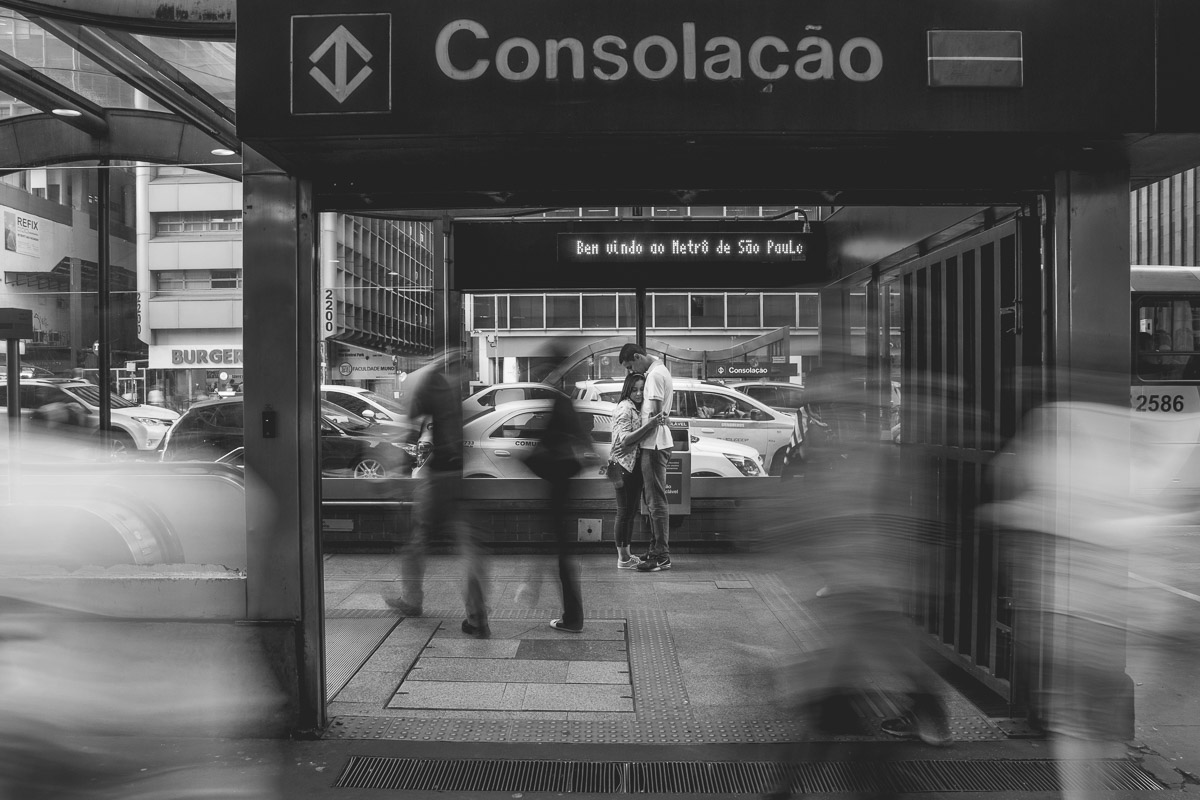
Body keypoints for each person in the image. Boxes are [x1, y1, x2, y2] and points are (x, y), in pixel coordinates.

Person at [382, 348, 490, 639]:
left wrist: (396, 473)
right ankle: (477, 616)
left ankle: (412, 600)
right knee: (467, 547)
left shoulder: (430, 381)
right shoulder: (451, 386)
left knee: (417, 540)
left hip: (439, 477)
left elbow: (408, 426)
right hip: (457, 477)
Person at [617, 343, 673, 572]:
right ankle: (656, 550)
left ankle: (661, 555)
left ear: (638, 357)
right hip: (655, 443)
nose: (631, 372)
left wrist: (632, 441)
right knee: (653, 501)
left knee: (656, 502)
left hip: (654, 445)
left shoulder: (655, 376)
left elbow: (657, 416)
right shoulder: (658, 372)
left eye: (630, 366)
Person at [609, 372, 664, 569]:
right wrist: (649, 425)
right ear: (627, 390)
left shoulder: (634, 407)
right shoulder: (625, 408)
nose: (639, 393)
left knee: (629, 512)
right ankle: (623, 558)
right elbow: (624, 439)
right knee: (624, 512)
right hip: (623, 466)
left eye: (642, 389)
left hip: (628, 465)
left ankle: (626, 555)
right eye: (635, 389)